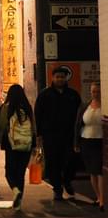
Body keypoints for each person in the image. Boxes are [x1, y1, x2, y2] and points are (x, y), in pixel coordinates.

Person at [34, 66, 82, 201]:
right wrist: (39, 135)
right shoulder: (44, 95)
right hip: (50, 136)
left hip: (69, 135)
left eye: (62, 77)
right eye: (57, 77)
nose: (60, 79)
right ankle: (57, 188)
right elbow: (38, 114)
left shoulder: (73, 94)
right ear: (52, 78)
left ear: (66, 78)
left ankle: (67, 181)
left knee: (70, 160)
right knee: (53, 162)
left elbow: (79, 115)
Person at [0, 83, 35, 211]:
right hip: (27, 143)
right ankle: (19, 201)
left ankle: (15, 190)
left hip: (11, 144)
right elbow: (33, 126)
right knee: (21, 172)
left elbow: (1, 125)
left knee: (9, 172)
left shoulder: (6, 108)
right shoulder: (28, 107)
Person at [75, 82, 104, 211]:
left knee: (100, 171)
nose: (95, 94)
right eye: (93, 91)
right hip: (86, 140)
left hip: (100, 141)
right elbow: (78, 124)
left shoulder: (105, 106)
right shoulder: (85, 106)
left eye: (97, 91)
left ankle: (103, 199)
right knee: (92, 171)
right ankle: (98, 196)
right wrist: (76, 143)